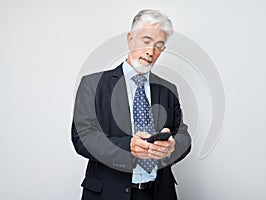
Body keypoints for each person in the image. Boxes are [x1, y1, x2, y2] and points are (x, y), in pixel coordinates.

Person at [72, 9, 191, 200]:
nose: (150, 52)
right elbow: (83, 137)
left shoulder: (168, 89)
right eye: (146, 41)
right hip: (108, 193)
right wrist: (128, 146)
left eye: (159, 46)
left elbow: (183, 134)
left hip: (159, 193)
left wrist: (172, 147)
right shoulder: (93, 85)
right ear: (130, 39)